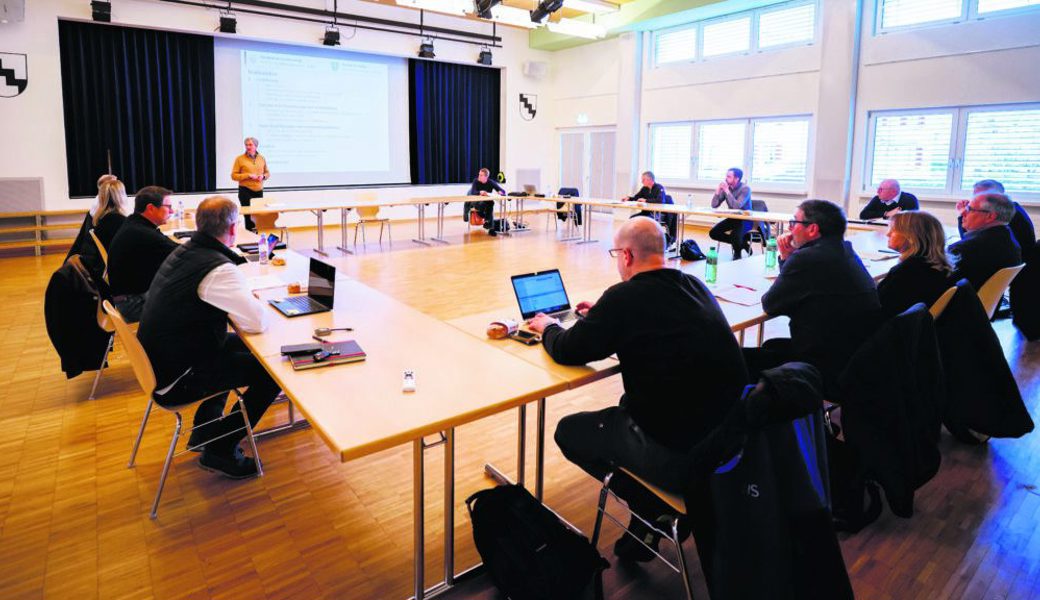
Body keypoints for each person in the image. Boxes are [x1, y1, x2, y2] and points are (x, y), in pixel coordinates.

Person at [527, 216, 748, 563]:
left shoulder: (625, 298)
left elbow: (568, 350)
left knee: (568, 431)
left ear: (627, 255)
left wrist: (549, 327)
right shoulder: (693, 285)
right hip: (727, 446)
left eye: (616, 253)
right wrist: (600, 318)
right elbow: (651, 329)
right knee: (624, 405)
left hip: (680, 456)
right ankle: (651, 513)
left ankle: (651, 510)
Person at [138, 196, 281, 479]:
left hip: (162, 360)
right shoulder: (218, 269)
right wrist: (250, 301)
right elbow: (257, 323)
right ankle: (220, 449)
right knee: (273, 373)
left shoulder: (187, 250)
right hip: (178, 377)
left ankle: (204, 430)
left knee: (246, 350)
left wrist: (239, 300)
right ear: (232, 229)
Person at [743, 199, 881, 396]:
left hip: (821, 364)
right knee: (771, 346)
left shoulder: (807, 258)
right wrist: (788, 258)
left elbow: (771, 304)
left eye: (794, 223)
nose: (790, 229)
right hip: (852, 358)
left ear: (812, 229)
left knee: (736, 359)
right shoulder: (845, 250)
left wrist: (789, 259)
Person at [106, 186, 180, 322]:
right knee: (193, 307)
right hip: (134, 304)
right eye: (168, 207)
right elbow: (183, 254)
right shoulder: (143, 234)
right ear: (151, 208)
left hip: (129, 296)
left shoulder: (135, 224)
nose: (172, 211)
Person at [877, 211, 954, 319]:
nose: (887, 234)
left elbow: (878, 307)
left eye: (893, 230)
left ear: (911, 237)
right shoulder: (935, 266)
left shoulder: (907, 273)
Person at [948, 192, 1022, 291]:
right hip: (981, 304)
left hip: (958, 303)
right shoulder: (1010, 241)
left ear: (990, 216)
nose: (963, 213)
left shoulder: (964, 249)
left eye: (969, 209)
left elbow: (939, 284)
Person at [957, 179, 1035, 253]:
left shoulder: (1007, 214)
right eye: (974, 196)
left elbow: (967, 240)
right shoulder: (1010, 208)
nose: (975, 200)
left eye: (981, 196)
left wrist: (964, 214)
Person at [708, 167, 754, 260]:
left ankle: (737, 253)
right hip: (733, 218)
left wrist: (727, 191)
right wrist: (718, 191)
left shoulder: (745, 189)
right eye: (726, 176)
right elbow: (714, 205)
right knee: (713, 233)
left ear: (736, 179)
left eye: (729, 176)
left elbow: (736, 206)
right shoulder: (727, 188)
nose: (726, 178)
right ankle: (743, 243)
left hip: (745, 219)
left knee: (735, 235)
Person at [622, 171, 676, 244]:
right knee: (632, 218)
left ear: (650, 179)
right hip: (647, 213)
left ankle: (648, 241)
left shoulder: (659, 188)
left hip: (658, 214)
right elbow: (637, 197)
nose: (642, 181)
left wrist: (646, 200)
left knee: (645, 221)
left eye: (643, 179)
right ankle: (634, 241)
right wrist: (629, 198)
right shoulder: (644, 188)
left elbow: (660, 201)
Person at [231, 137, 269, 232]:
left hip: (258, 191)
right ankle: (250, 238)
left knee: (258, 216)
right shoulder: (239, 159)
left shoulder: (262, 158)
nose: (248, 147)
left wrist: (263, 177)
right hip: (245, 191)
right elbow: (234, 176)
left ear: (256, 146)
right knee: (248, 217)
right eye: (246, 145)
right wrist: (247, 175)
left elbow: (267, 173)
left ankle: (257, 237)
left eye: (250, 145)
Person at [464, 167, 506, 236]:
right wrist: (480, 192)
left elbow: (503, 191)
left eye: (481, 175)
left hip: (486, 203)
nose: (479, 176)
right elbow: (473, 192)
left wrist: (500, 192)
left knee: (491, 203)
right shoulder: (476, 181)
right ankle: (489, 224)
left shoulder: (491, 182)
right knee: (487, 206)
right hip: (475, 202)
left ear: (486, 176)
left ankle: (489, 224)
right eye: (479, 174)